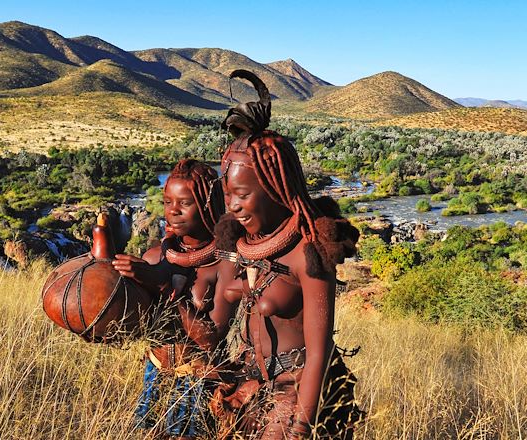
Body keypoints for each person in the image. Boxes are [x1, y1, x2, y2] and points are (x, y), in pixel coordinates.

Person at [210, 70, 363, 439]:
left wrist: (299, 426)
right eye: (227, 194)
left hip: (295, 392)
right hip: (248, 386)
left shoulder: (307, 251)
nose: (233, 205)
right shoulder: (238, 246)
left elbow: (319, 352)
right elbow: (215, 323)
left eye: (242, 195)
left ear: (276, 187)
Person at [112, 159, 236, 439]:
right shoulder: (154, 256)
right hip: (155, 372)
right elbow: (131, 322)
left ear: (207, 205)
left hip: (199, 380)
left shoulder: (224, 264)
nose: (173, 211)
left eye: (184, 203)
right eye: (168, 201)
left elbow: (210, 338)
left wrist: (164, 287)